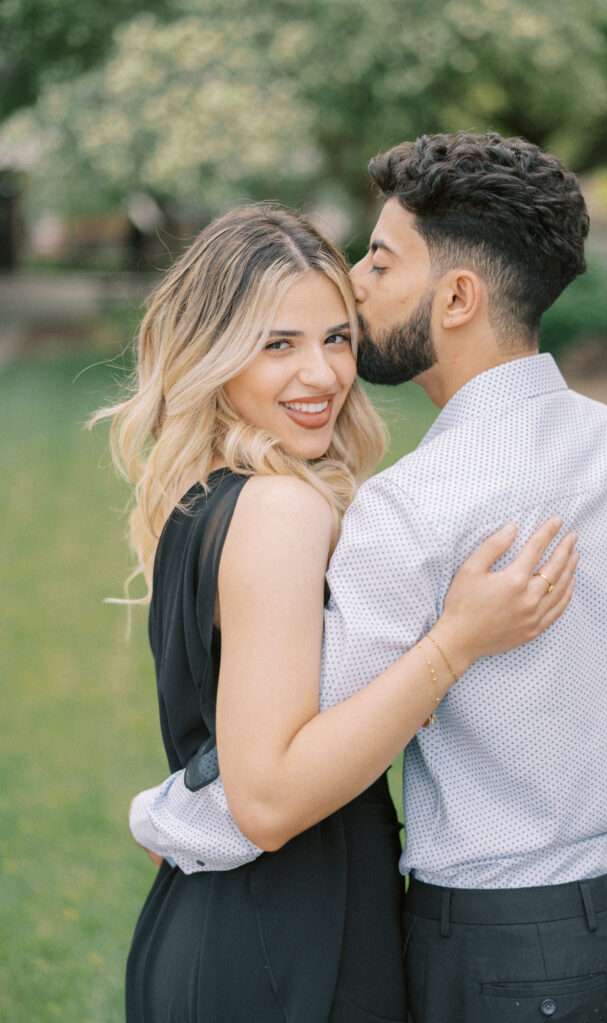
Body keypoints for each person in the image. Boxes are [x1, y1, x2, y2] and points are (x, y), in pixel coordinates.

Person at [131, 133, 607, 1023]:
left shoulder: (414, 509)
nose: (355, 279)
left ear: (456, 296)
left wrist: (162, 822)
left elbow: (287, 772)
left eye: (381, 262)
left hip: (498, 945)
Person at [95, 201, 576, 1023]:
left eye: (337, 338)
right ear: (212, 352)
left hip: (229, 925)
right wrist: (455, 644)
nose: (321, 375)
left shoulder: (203, 492)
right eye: (277, 343)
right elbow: (270, 800)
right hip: (286, 945)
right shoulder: (283, 511)